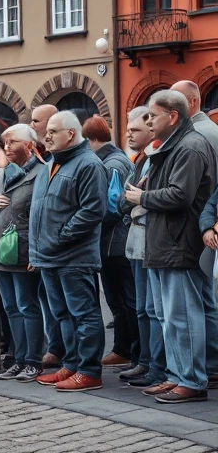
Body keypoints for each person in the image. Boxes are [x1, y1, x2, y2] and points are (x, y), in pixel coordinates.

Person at [128, 90, 218, 403]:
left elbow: (180, 195)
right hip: (169, 243)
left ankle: (191, 381)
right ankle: (178, 376)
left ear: (173, 116)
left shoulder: (191, 146)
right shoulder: (176, 145)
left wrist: (143, 198)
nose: (147, 120)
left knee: (183, 317)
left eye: (153, 115)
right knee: (173, 317)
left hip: (180, 243)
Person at [31, 111, 108, 392]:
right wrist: (38, 248)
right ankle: (72, 364)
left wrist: (61, 237)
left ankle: (89, 371)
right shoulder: (50, 163)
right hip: (49, 256)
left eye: (53, 130)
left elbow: (93, 210)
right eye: (47, 130)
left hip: (75, 257)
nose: (46, 135)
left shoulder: (88, 164)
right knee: (62, 314)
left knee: (84, 314)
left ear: (71, 134)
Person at [0, 124, 46, 383]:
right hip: (1, 250)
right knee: (11, 308)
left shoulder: (41, 173)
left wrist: (36, 252)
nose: (7, 147)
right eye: (5, 143)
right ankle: (18, 358)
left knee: (26, 306)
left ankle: (33, 360)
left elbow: (41, 217)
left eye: (13, 142)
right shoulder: (3, 173)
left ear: (29, 146)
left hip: (22, 250)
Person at [82, 115, 139, 368]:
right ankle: (124, 349)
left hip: (115, 243)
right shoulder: (109, 159)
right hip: (111, 242)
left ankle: (131, 351)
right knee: (119, 300)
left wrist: (89, 231)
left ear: (91, 140)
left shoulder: (111, 163)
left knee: (125, 300)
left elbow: (113, 208)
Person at [120, 106, 167, 388]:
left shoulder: (157, 158)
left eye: (135, 129)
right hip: (136, 241)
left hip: (152, 241)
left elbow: (141, 198)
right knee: (142, 308)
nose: (129, 134)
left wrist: (138, 198)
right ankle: (146, 361)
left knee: (154, 309)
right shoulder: (138, 160)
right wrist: (134, 199)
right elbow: (123, 200)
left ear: (151, 130)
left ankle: (157, 367)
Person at [30, 103, 62, 369]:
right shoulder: (45, 158)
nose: (33, 126)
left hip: (62, 249)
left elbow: (88, 211)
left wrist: (59, 238)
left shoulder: (62, 159)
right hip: (44, 247)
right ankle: (57, 348)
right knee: (47, 298)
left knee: (67, 307)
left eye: (36, 121)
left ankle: (68, 356)